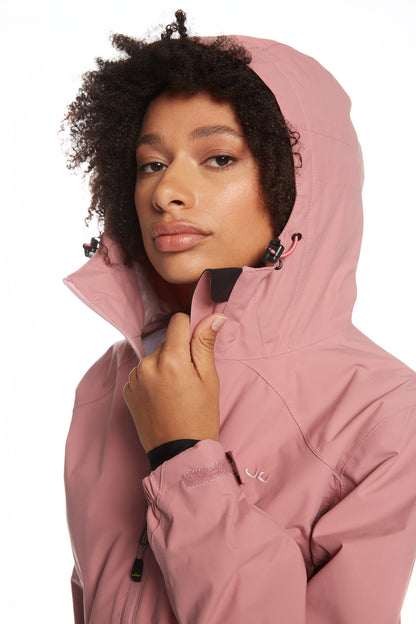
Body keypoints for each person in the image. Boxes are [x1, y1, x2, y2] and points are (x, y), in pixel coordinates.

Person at [63, 10, 416, 623]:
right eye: (151, 163)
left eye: (219, 158)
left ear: (300, 184)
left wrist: (183, 455)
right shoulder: (112, 380)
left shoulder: (385, 415)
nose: (165, 192)